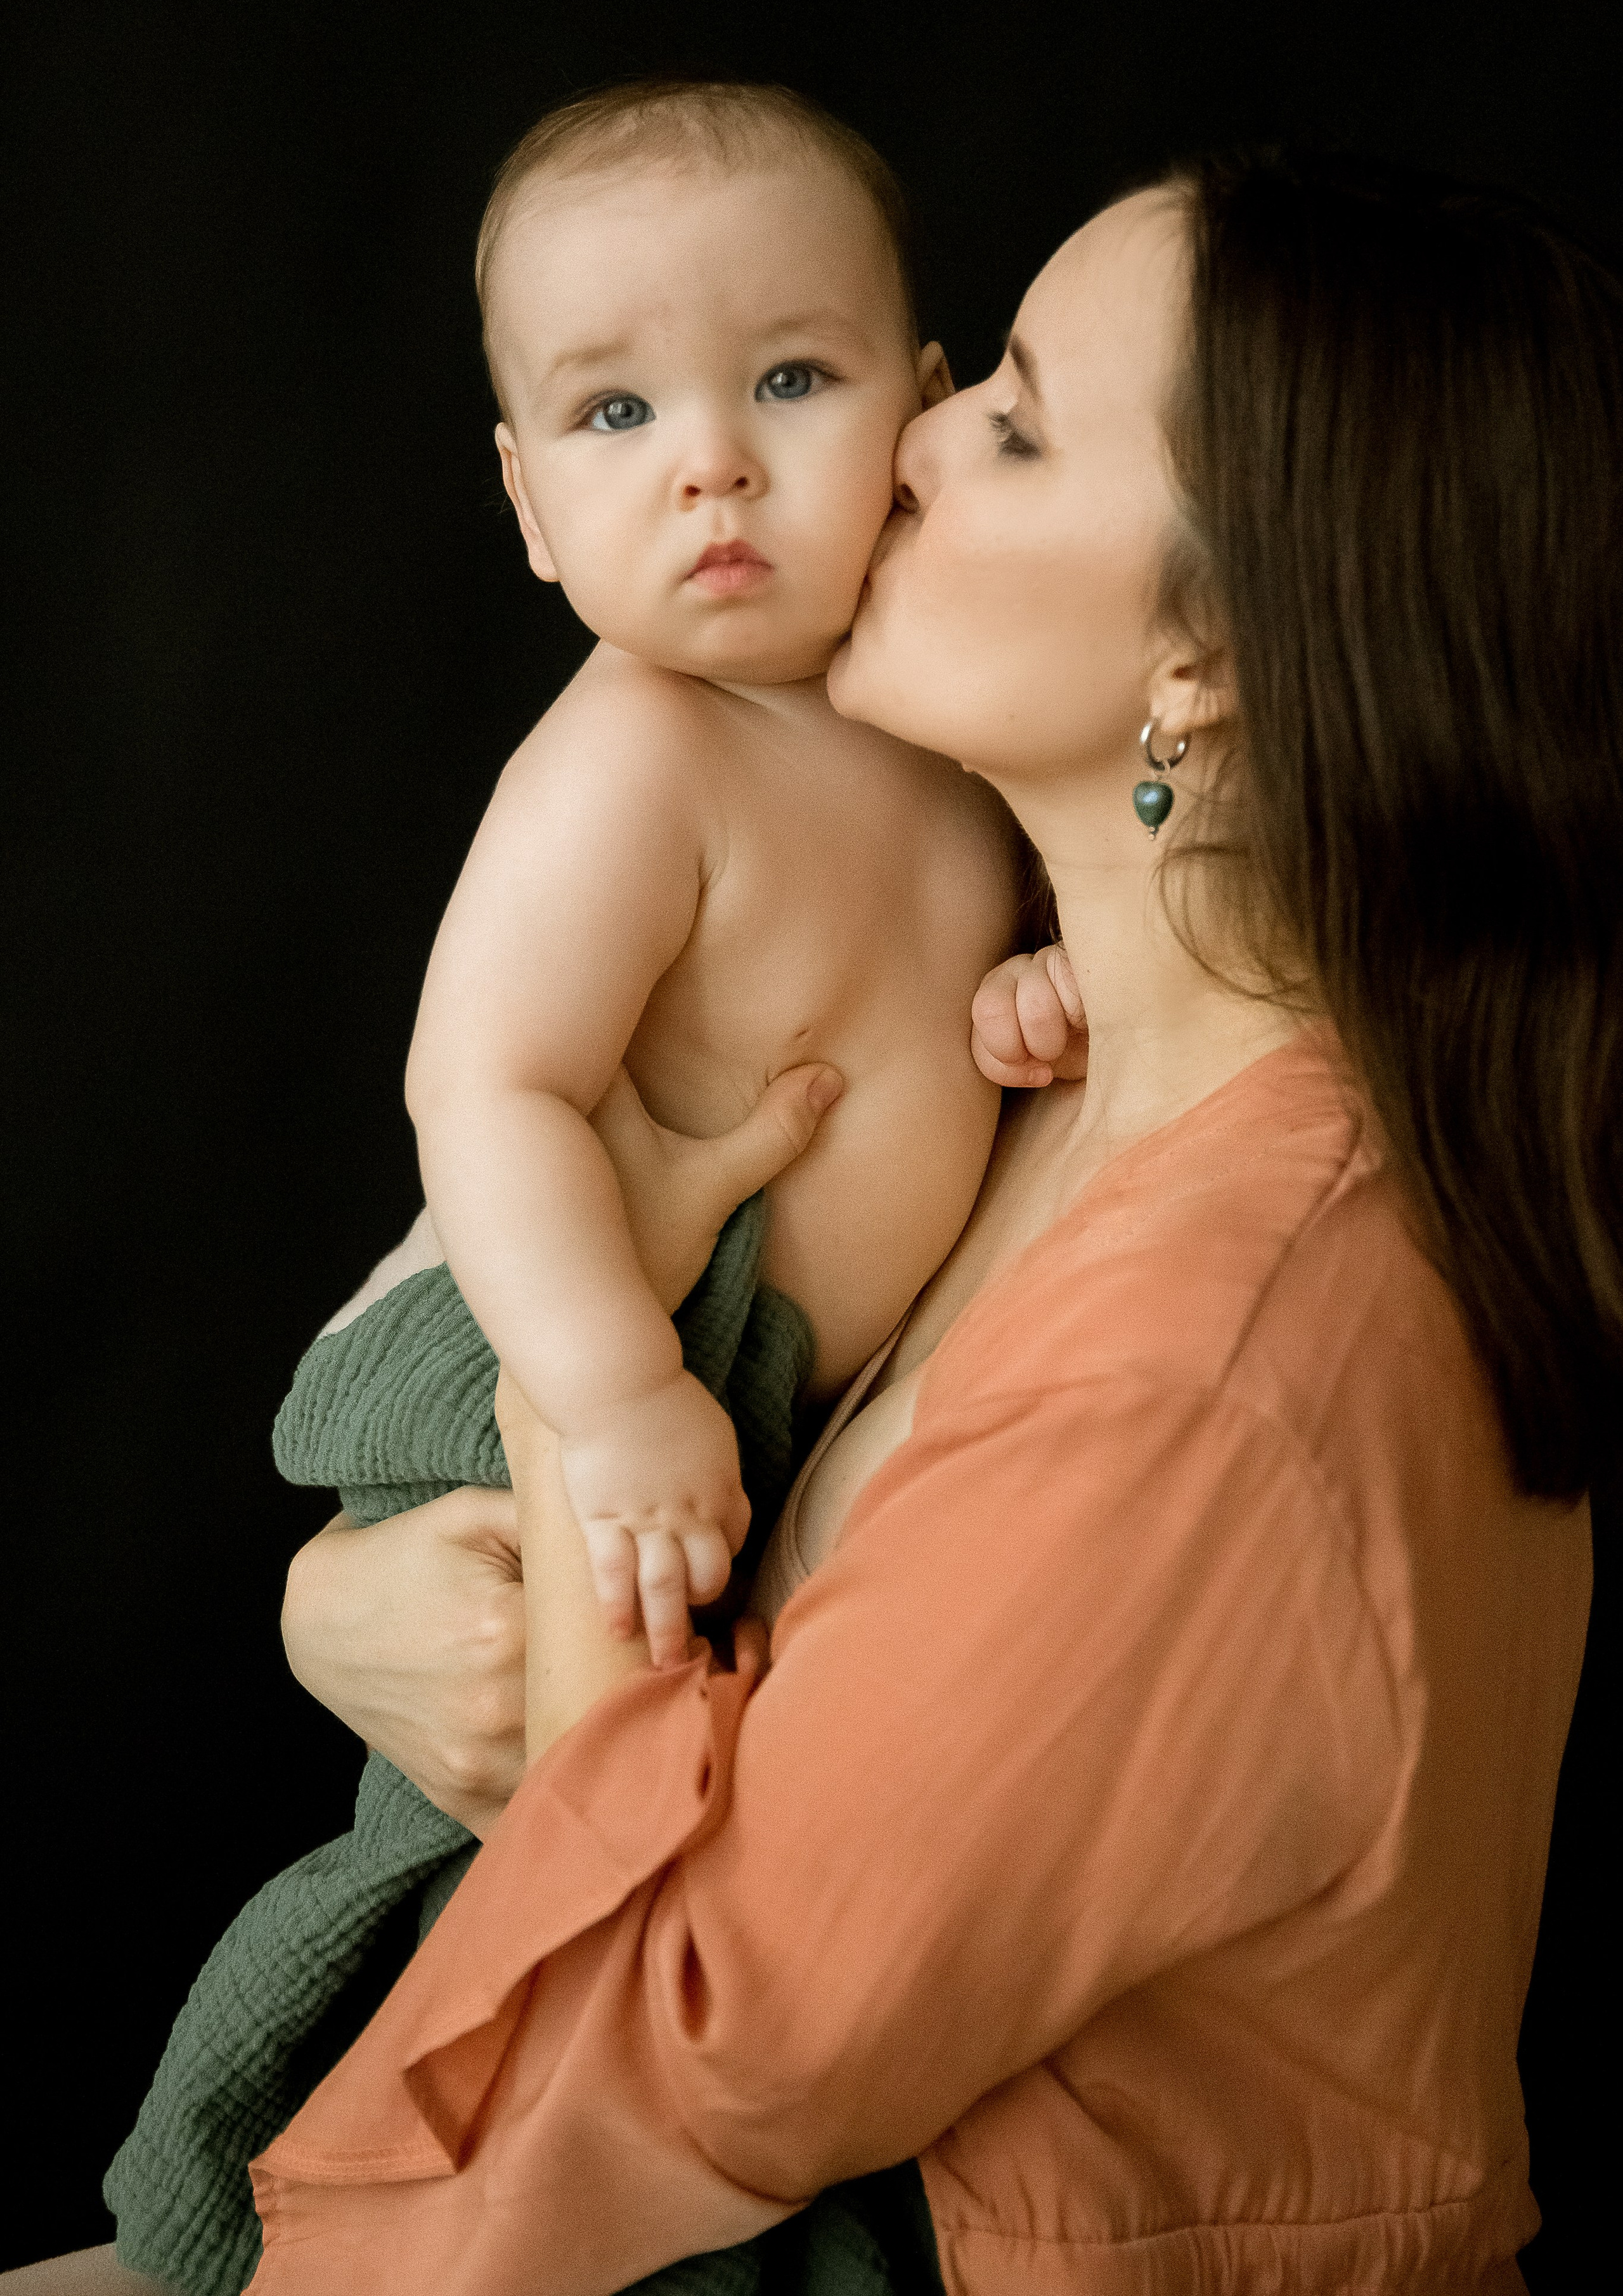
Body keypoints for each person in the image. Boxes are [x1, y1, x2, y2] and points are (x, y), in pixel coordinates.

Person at [16, 146, 1615, 2291]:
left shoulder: (1217, 1357)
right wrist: (346, 1606)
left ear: (1208, 662)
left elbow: (683, 2041)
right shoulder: (1073, 1064)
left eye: (1019, 419)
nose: (915, 435)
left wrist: (570, 1442)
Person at [403, 79, 1019, 1665]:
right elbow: (483, 1088)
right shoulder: (633, 761)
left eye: (792, 377)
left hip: (791, 1432)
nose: (713, 465)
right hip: (591, 1374)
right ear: (527, 505)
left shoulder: (951, 711)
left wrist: (1044, 978)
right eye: (617, 412)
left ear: (929, 411)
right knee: (485, 1839)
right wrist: (612, 1393)